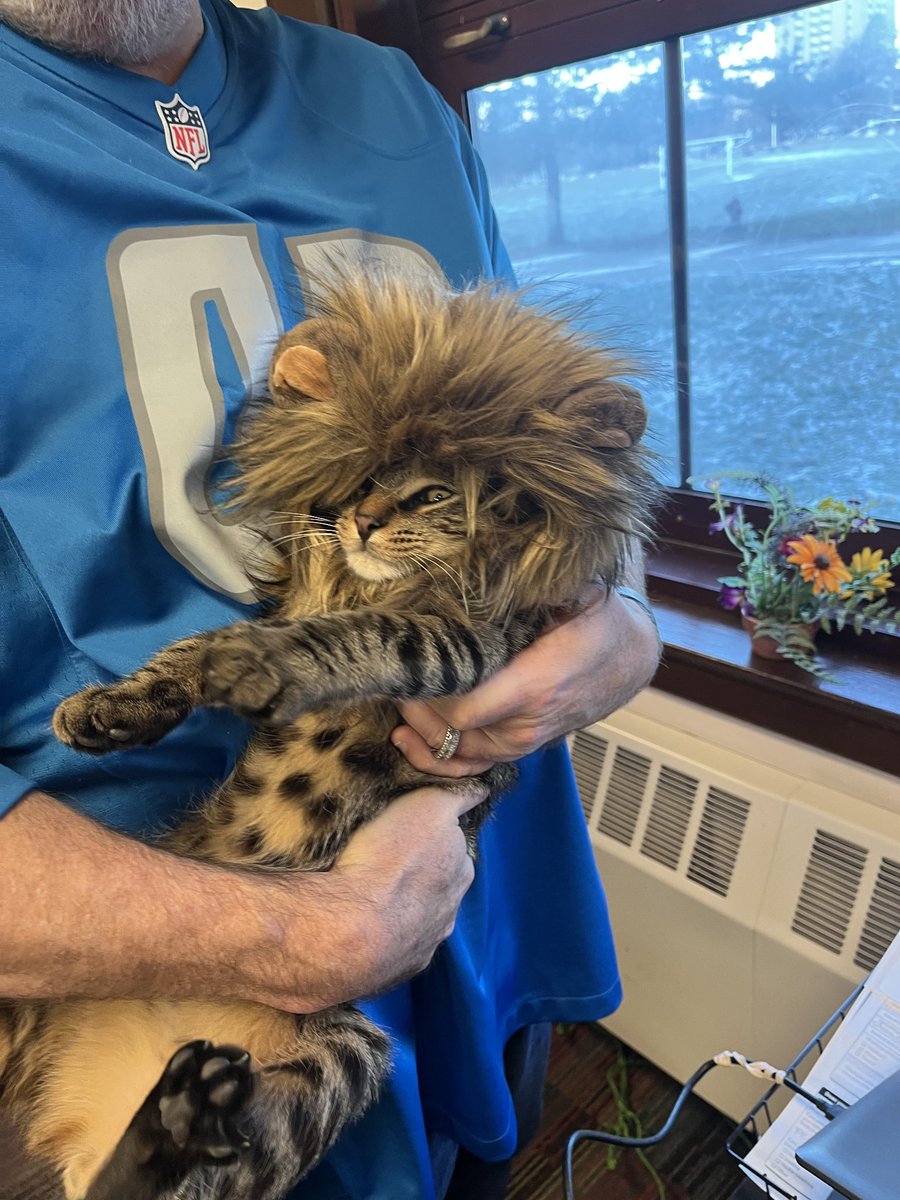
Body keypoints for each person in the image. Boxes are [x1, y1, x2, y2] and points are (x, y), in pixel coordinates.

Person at [0, 2, 662, 1197]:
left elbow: (569, 488)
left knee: (472, 1147)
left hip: (472, 907)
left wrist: (626, 631)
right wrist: (322, 935)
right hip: (107, 950)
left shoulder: (396, 99)